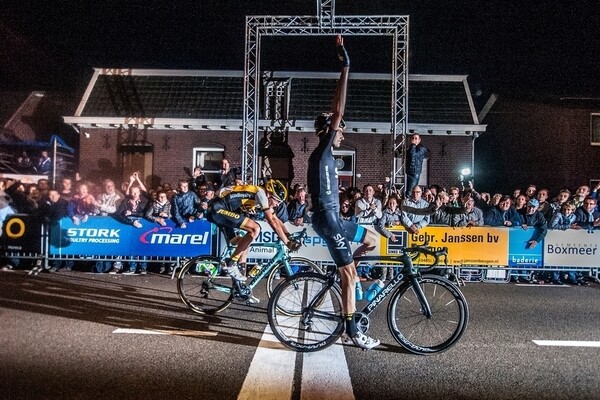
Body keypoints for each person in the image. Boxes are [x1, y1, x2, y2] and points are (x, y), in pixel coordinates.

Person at [306, 35, 380, 349]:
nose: (342, 133)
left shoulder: (326, 155)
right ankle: (353, 332)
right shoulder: (323, 149)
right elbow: (338, 110)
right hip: (329, 220)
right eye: (339, 129)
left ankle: (345, 271)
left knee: (373, 240)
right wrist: (345, 66)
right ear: (328, 130)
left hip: (334, 218)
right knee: (349, 275)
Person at [206, 179, 299, 294]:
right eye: (277, 200)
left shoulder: (265, 198)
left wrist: (289, 236)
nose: (277, 204)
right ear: (269, 193)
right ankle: (231, 263)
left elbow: (276, 219)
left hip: (223, 210)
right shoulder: (260, 193)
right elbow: (271, 221)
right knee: (255, 228)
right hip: (218, 208)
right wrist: (286, 242)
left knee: (245, 241)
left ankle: (241, 289)